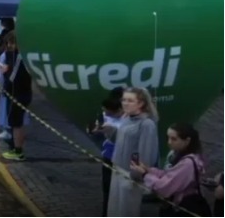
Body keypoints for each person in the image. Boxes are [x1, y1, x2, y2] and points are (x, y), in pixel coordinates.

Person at [129, 122, 210, 217]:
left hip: (183, 208)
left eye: (174, 139)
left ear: (187, 141)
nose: (169, 142)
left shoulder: (187, 163)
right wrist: (148, 170)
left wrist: (145, 175)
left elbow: (164, 188)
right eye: (168, 138)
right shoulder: (185, 156)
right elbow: (169, 174)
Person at [105, 86, 160, 217]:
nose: (125, 103)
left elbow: (146, 153)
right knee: (114, 210)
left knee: (126, 211)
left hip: (130, 175)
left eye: (130, 100)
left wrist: (136, 176)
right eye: (124, 100)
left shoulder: (146, 124)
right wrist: (108, 131)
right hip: (117, 170)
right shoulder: (126, 118)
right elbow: (120, 141)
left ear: (141, 103)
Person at [89, 88, 124, 217]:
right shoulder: (104, 116)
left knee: (122, 190)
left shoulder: (132, 119)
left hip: (125, 159)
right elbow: (93, 130)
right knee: (108, 187)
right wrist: (96, 130)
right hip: (109, 157)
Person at [0, 31, 33, 161]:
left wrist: (5, 72)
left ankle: (18, 151)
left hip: (18, 94)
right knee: (15, 122)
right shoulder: (19, 56)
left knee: (17, 123)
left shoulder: (19, 58)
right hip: (19, 93)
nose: (9, 46)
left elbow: (13, 77)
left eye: (11, 43)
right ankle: (15, 147)